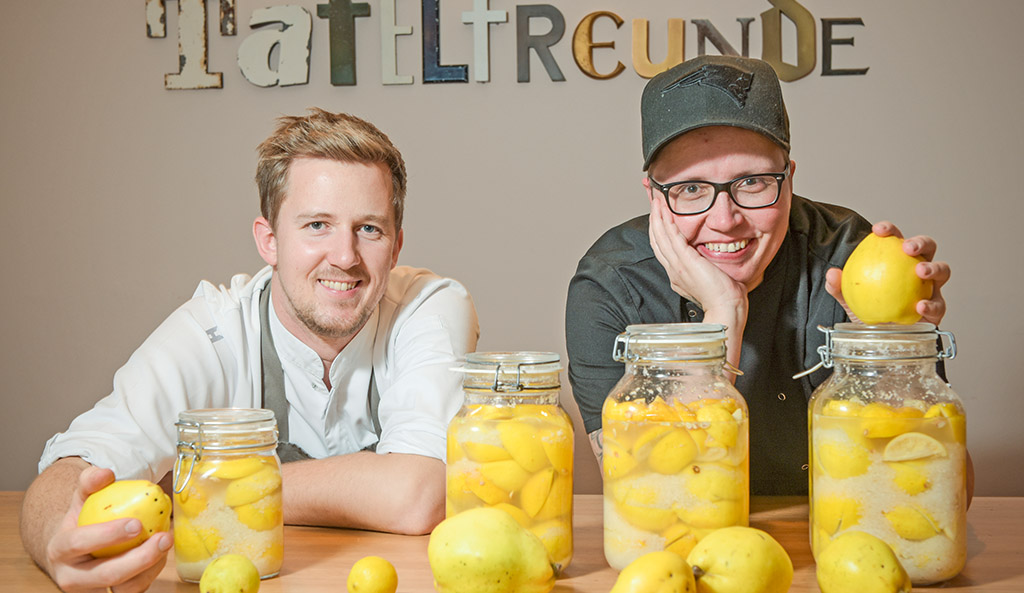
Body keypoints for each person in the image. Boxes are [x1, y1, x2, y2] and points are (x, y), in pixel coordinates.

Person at [20, 108, 480, 591]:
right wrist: (59, 542)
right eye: (317, 225)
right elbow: (70, 470)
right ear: (269, 240)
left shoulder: (430, 306)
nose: (345, 257)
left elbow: (418, 494)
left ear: (397, 244)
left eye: (369, 229)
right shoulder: (215, 329)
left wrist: (197, 489)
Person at [565, 54, 955, 496]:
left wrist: (891, 357)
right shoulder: (611, 285)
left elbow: (938, 495)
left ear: (788, 179)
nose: (725, 219)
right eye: (690, 189)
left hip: (831, 538)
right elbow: (648, 497)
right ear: (653, 195)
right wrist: (723, 311)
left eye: (752, 182)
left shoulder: (850, 260)